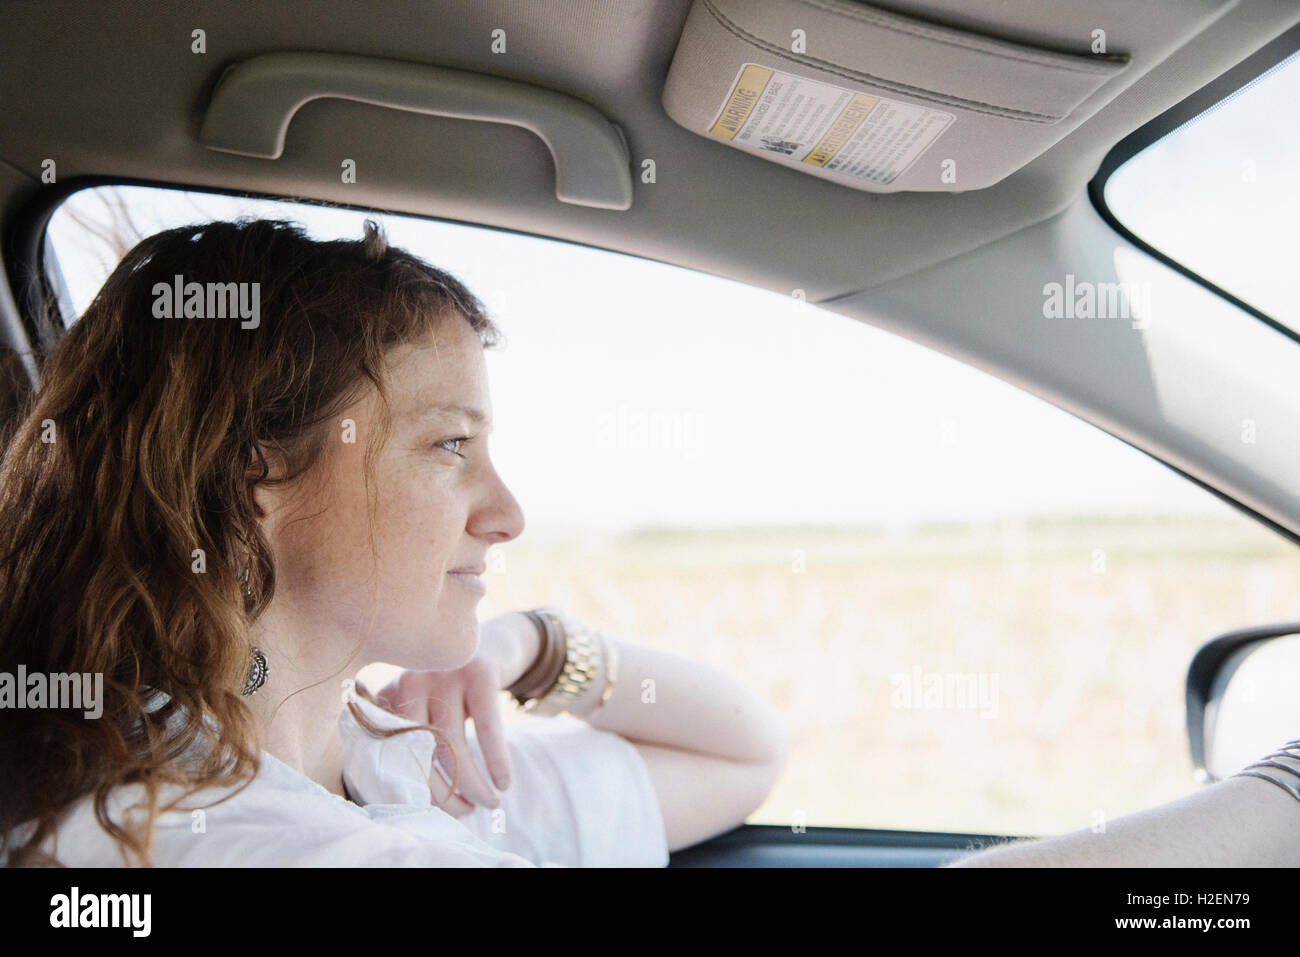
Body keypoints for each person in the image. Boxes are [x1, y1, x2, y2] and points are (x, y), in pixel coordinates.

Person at [0, 218, 789, 867]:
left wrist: (528, 646)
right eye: (450, 444)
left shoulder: (384, 760)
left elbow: (742, 756)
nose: (508, 513)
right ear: (256, 479)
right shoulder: (200, 839)